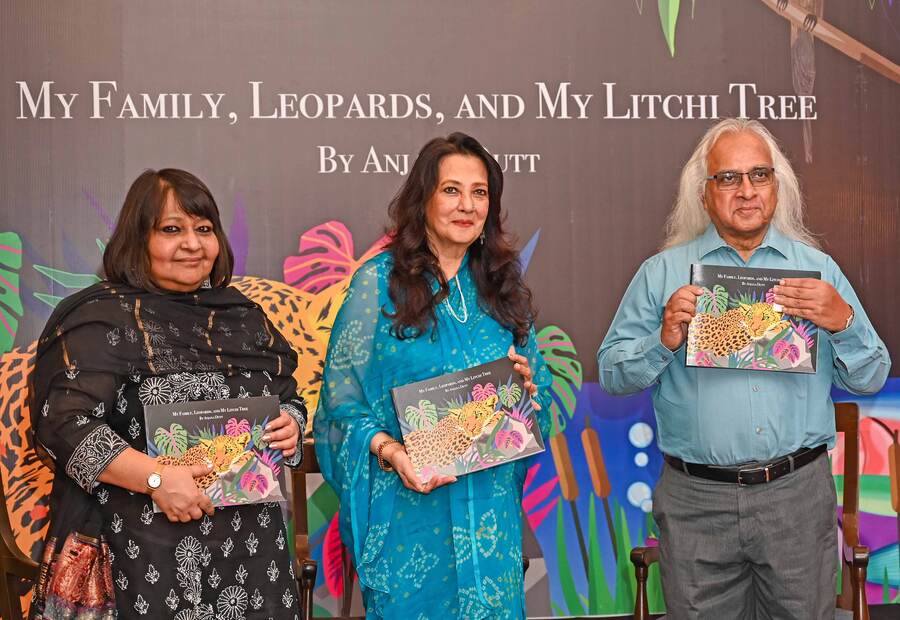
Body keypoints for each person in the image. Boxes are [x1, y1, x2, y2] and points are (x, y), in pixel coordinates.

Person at [598, 118, 890, 618]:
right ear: (705, 192)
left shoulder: (818, 271)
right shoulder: (663, 273)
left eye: (760, 175)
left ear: (778, 185)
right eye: (729, 178)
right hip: (695, 503)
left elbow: (870, 377)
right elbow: (613, 374)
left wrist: (842, 322)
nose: (747, 191)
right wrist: (662, 339)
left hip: (796, 498)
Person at [29, 169, 306, 619]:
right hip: (139, 552)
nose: (193, 244)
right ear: (137, 240)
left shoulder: (241, 317)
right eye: (171, 229)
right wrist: (156, 479)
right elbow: (62, 424)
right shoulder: (101, 319)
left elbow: (286, 396)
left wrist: (291, 424)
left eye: (204, 229)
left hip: (251, 553)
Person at [314, 132, 552, 619]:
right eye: (451, 190)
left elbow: (539, 400)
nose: (467, 205)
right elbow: (340, 407)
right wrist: (390, 451)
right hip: (409, 520)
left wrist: (528, 393)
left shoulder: (503, 290)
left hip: (490, 525)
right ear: (422, 200)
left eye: (479, 192)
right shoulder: (377, 284)